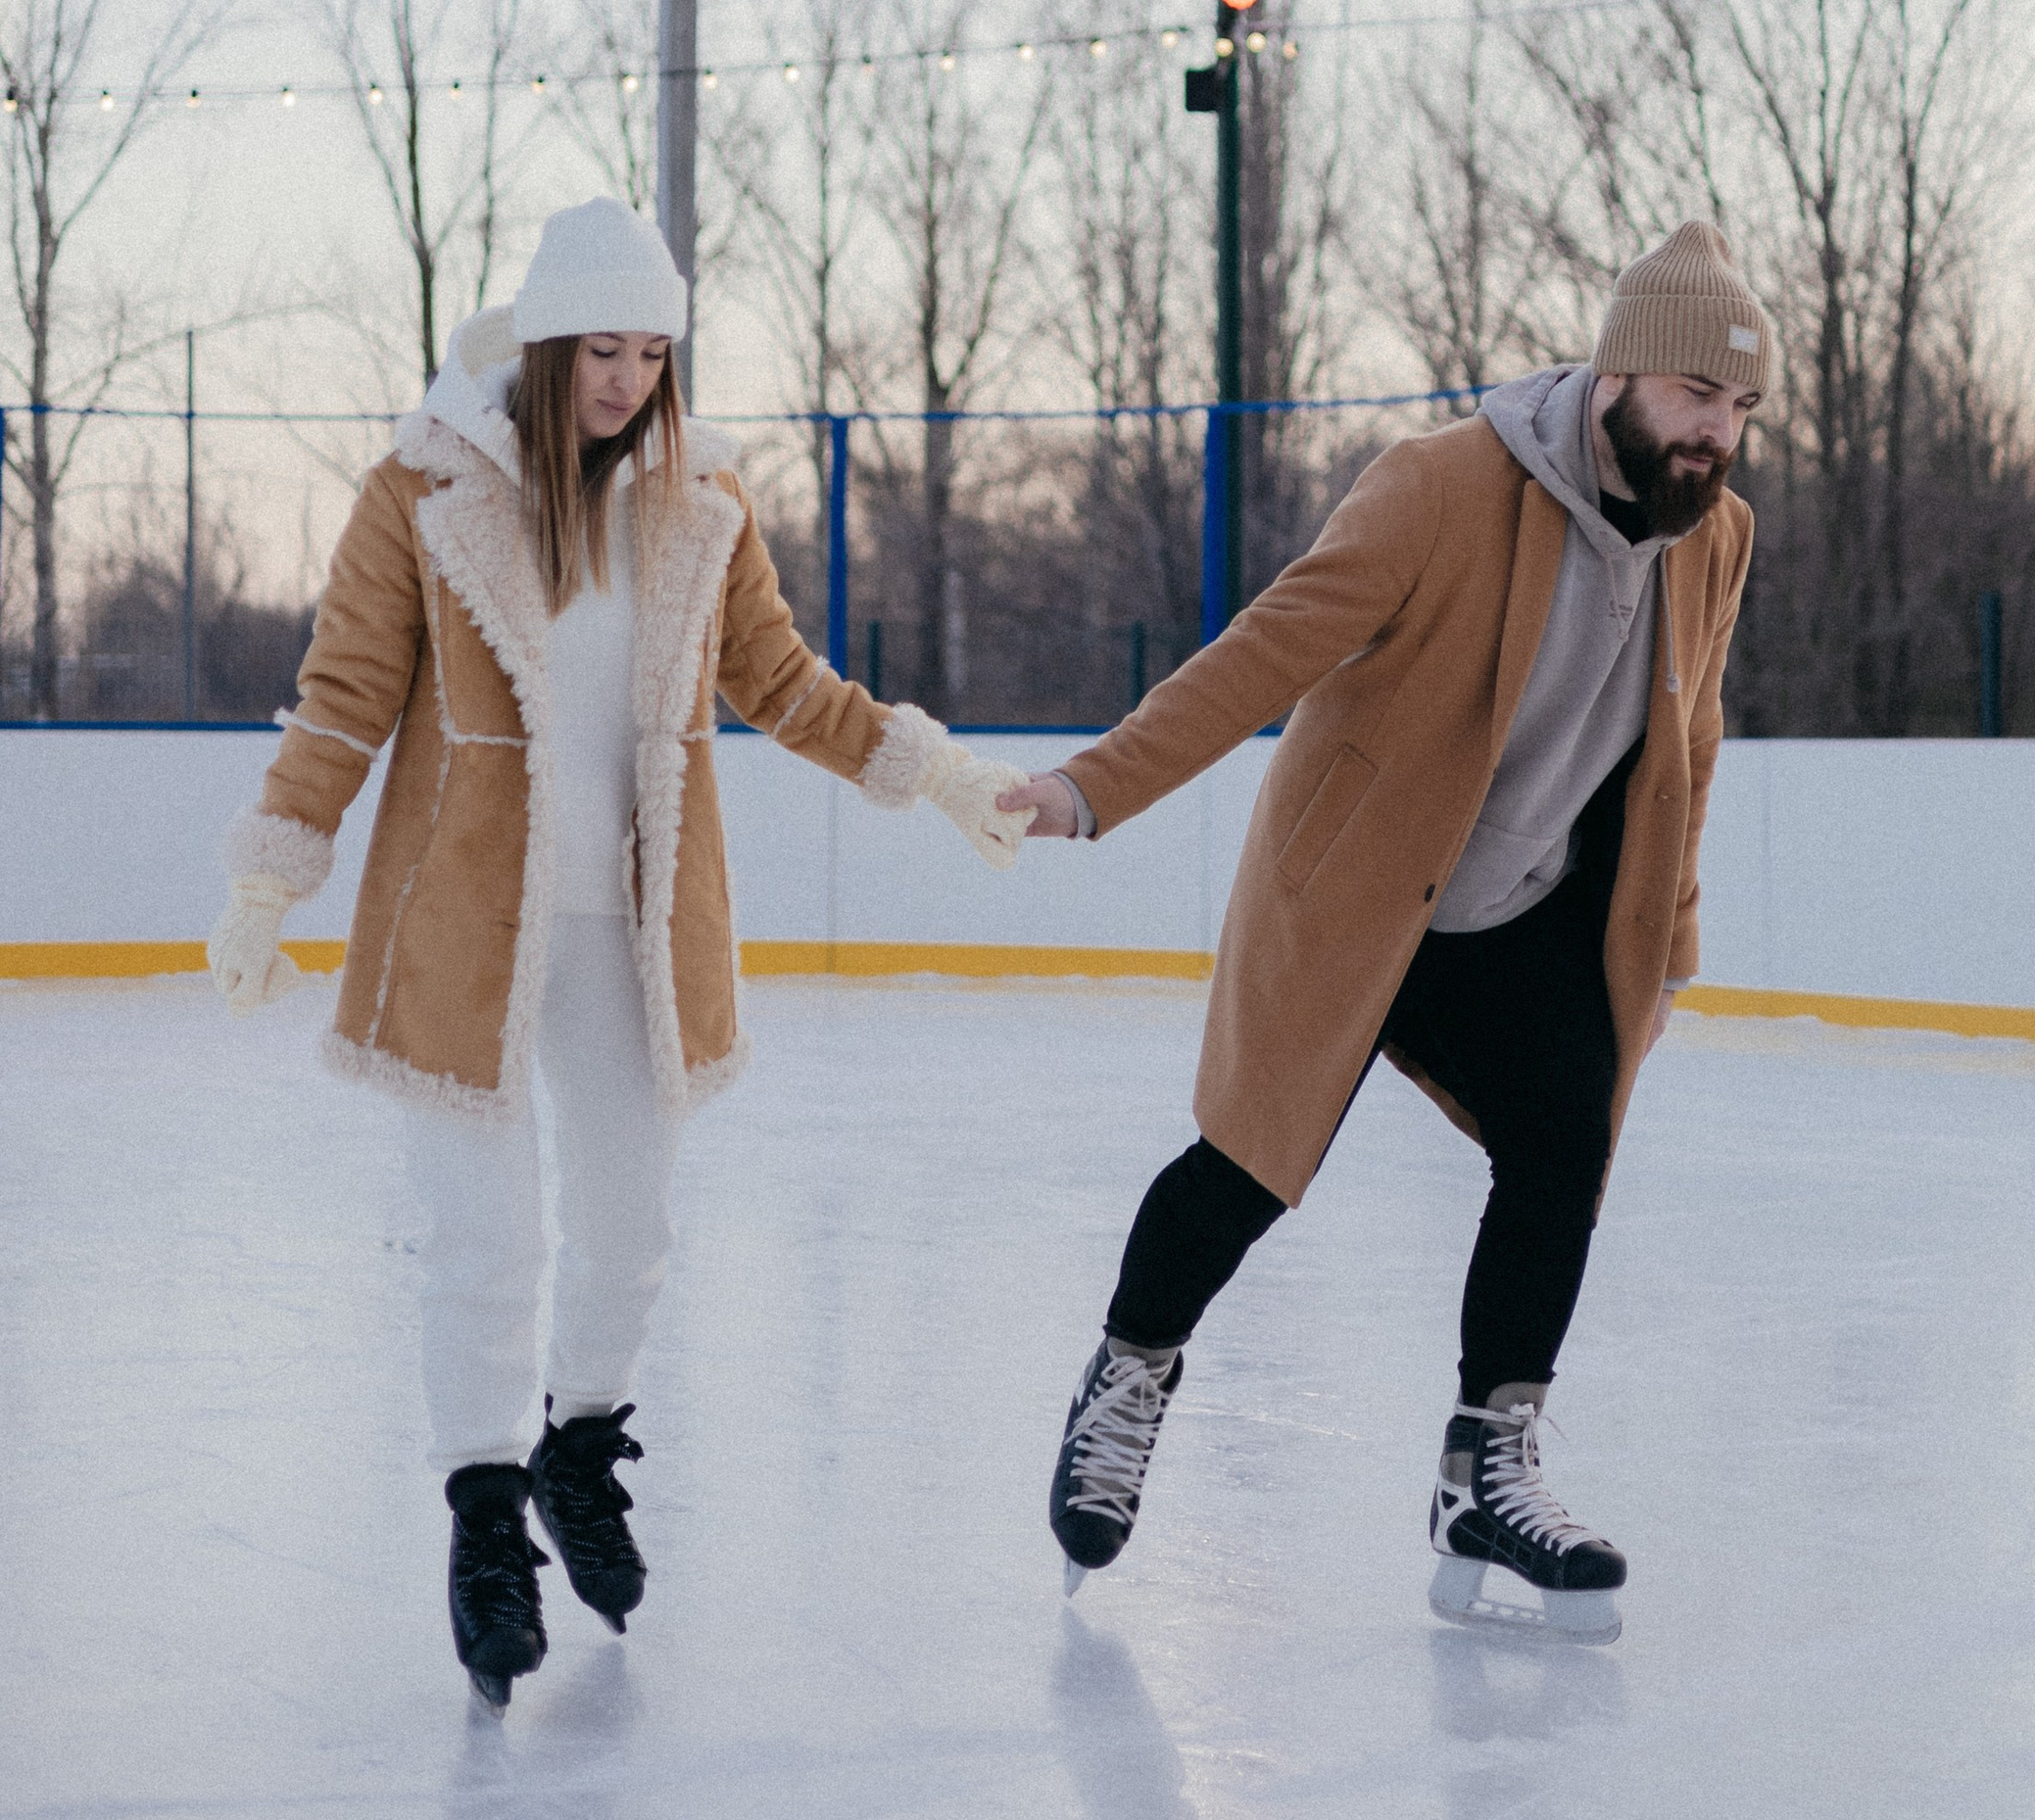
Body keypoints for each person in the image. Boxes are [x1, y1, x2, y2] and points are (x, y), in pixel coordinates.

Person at [206, 197, 1027, 1711]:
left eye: (653, 353)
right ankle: (481, 1517)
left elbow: (783, 682)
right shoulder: (421, 491)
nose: (627, 381)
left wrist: (944, 773)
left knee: (633, 1220)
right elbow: (340, 697)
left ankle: (581, 1446)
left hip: (633, 924)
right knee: (485, 1237)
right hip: (461, 927)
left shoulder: (696, 498)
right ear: (540, 343)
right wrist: (276, 872)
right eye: (602, 348)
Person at [1011, 217, 1767, 1643]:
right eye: (1694, 400)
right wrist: (1087, 788)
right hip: (1362, 891)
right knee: (1248, 1168)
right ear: (1618, 377)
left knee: (1565, 1147)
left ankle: (1489, 1467)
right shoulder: (1440, 489)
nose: (1716, 437)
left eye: (1739, 410)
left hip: (1530, 909)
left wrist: (1670, 925)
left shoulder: (1711, 536)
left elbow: (1694, 734)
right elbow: (1267, 652)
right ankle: (1128, 1374)